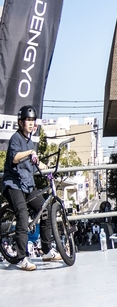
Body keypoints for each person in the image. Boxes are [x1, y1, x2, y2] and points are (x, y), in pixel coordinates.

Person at [1, 106, 59, 270]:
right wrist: (30, 152)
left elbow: (36, 162)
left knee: (45, 209)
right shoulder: (16, 139)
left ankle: (47, 250)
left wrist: (48, 169)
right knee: (22, 214)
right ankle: (21, 258)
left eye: (33, 121)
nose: (31, 123)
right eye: (28, 120)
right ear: (20, 122)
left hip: (27, 185)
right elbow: (15, 158)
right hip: (13, 185)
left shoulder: (29, 142)